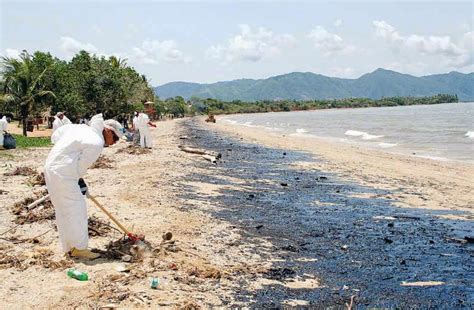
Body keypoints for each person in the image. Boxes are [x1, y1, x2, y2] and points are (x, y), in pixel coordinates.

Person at [44, 114, 123, 259]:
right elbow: (80, 168)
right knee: (77, 210)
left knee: (63, 210)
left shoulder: (81, 128)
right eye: (115, 138)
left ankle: (69, 247)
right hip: (64, 174)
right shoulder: (97, 142)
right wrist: (78, 180)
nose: (113, 143)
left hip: (50, 168)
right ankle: (79, 249)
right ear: (108, 131)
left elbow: (56, 136)